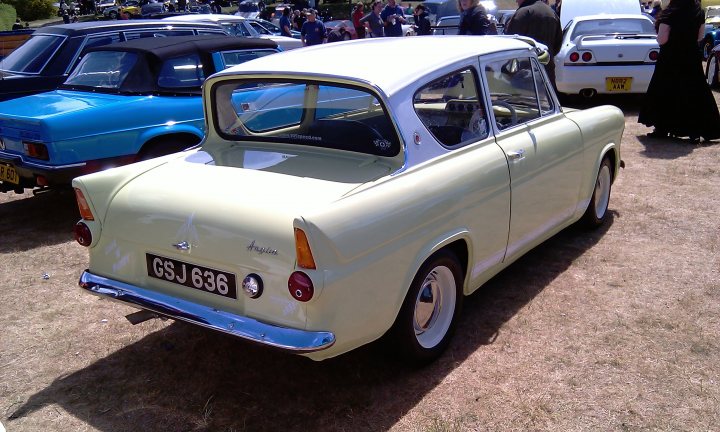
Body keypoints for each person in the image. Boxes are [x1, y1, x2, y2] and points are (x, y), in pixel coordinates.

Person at [638, 0, 720, 142]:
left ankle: (663, 128)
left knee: (666, 91)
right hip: (691, 57)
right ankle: (695, 130)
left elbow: (662, 39)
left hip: (671, 57)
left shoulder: (670, 13)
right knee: (694, 92)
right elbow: (699, 37)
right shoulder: (698, 12)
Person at [504, 0, 563, 88]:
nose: (516, 1)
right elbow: (557, 44)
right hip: (547, 74)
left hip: (525, 76)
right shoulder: (551, 12)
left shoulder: (522, 13)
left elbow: (509, 45)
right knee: (546, 101)